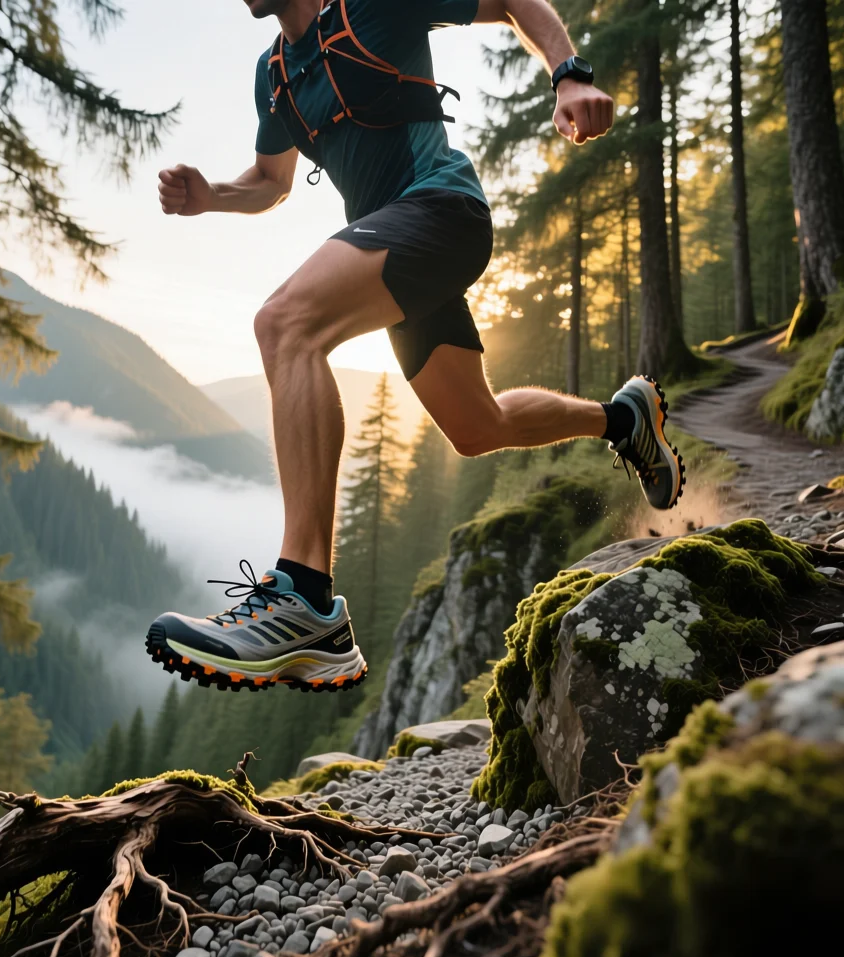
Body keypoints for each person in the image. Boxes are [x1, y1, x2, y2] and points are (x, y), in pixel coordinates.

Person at [146, 0, 685, 695]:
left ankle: (304, 597)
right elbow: (270, 182)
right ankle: (625, 419)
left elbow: (515, 3)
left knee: (284, 324)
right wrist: (211, 196)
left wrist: (569, 75)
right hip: (393, 245)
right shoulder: (275, 73)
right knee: (476, 426)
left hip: (442, 211)